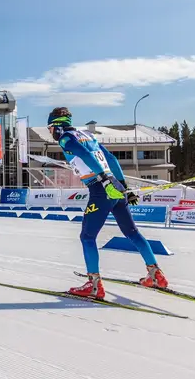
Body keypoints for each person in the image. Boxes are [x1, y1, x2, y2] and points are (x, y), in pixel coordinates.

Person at [47, 107, 168, 299]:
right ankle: (155, 274)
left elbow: (85, 156)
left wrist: (103, 179)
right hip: (115, 188)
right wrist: (123, 186)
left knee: (87, 237)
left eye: (50, 128)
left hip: (100, 188)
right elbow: (110, 158)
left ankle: (93, 285)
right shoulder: (87, 135)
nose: (50, 133)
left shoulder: (66, 139)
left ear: (56, 125)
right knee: (132, 232)